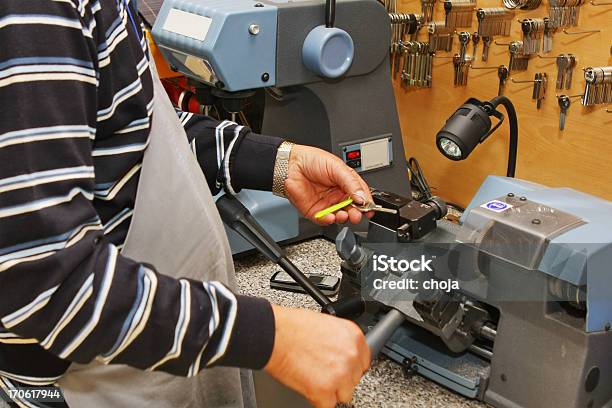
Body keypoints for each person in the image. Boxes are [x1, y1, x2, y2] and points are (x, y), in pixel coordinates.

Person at [0, 0, 373, 407]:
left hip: (126, 354)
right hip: (72, 380)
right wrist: (270, 336)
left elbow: (131, 126)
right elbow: (46, 282)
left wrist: (276, 164)